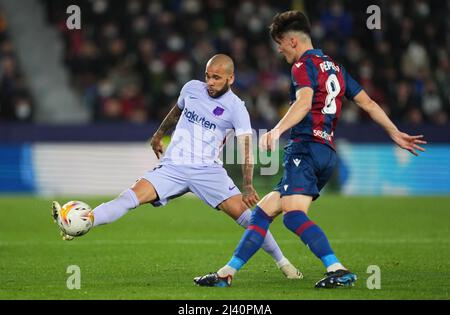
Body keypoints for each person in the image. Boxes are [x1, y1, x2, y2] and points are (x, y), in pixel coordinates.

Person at [194, 11, 427, 288]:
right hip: (326, 152)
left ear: (292, 41)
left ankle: (337, 269)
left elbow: (304, 103)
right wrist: (394, 132)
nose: (279, 50)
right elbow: (369, 104)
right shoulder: (336, 68)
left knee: (293, 217)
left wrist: (277, 130)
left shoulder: (302, 66)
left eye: (280, 43)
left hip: (304, 149)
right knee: (262, 212)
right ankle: (226, 274)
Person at [51, 54, 302, 280]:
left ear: (231, 78)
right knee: (129, 197)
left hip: (207, 171)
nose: (211, 82)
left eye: (217, 78)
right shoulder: (192, 88)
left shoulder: (236, 108)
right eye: (208, 76)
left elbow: (247, 147)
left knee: (251, 218)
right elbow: (177, 110)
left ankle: (284, 263)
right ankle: (84, 221)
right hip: (173, 167)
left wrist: (247, 185)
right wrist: (159, 134)